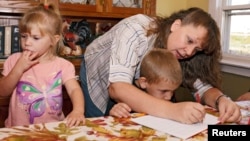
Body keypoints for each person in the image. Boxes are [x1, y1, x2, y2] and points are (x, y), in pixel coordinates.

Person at [80, 7, 241, 124]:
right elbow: (118, 88)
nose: (189, 52)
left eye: (197, 49)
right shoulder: (136, 29)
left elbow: (203, 88)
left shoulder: (183, 54)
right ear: (176, 25)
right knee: (100, 124)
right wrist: (172, 110)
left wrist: (222, 100)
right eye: (189, 41)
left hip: (134, 82)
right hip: (98, 75)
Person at [0, 3, 85, 128]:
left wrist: (78, 111)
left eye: (35, 38)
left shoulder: (63, 65)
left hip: (52, 129)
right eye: (24, 36)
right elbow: (3, 91)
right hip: (19, 130)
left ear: (53, 40)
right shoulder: (14, 60)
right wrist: (18, 68)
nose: (27, 42)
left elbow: (74, 90)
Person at [109, 48, 182, 118]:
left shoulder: (168, 96)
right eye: (164, 91)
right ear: (144, 82)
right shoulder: (128, 97)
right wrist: (117, 112)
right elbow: (113, 120)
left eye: (172, 91)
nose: (169, 97)